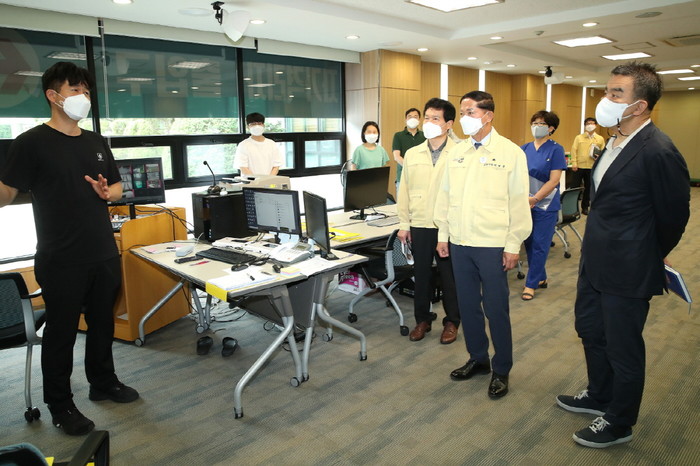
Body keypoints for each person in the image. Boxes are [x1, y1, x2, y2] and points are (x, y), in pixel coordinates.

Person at [0, 62, 139, 436]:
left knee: (102, 323)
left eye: (87, 91)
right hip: (61, 257)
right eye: (76, 89)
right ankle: (60, 405)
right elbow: (7, 192)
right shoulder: (31, 142)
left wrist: (109, 193)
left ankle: (103, 381)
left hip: (102, 251)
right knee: (61, 334)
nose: (84, 97)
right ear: (53, 95)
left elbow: (117, 187)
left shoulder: (95, 141)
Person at [556, 62, 690, 448]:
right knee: (590, 330)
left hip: (629, 267)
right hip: (595, 259)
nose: (606, 98)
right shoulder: (613, 141)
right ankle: (600, 394)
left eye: (616, 93)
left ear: (640, 105)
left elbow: (674, 215)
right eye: (607, 90)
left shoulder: (659, 150)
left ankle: (620, 421)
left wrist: (651, 252)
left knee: (623, 346)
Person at [434, 91, 531, 399]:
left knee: (496, 308)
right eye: (462, 112)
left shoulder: (510, 152)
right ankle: (478, 358)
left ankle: (501, 368)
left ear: (488, 116)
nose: (464, 118)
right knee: (467, 305)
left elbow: (519, 202)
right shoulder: (457, 152)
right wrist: (443, 234)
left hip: (493, 244)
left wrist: (513, 243)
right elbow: (445, 196)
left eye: (470, 112)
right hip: (460, 241)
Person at [396, 98, 460, 344]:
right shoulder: (413, 154)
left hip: (449, 226)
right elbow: (404, 190)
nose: (429, 122)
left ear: (448, 124)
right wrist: (404, 223)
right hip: (420, 223)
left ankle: (452, 321)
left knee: (449, 277)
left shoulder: (460, 153)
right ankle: (422, 319)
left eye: (436, 118)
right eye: (427, 117)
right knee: (421, 275)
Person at [520, 110, 567, 301]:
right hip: (525, 203)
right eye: (534, 123)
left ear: (551, 128)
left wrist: (536, 198)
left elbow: (554, 180)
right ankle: (541, 277)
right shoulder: (524, 148)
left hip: (545, 204)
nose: (536, 127)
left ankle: (530, 284)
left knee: (540, 244)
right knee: (530, 243)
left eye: (541, 124)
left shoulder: (556, 149)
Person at [570, 117, 605, 214]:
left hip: (592, 167)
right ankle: (572, 208)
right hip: (579, 166)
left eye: (592, 123)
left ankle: (585, 207)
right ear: (585, 126)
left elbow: (603, 152)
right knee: (574, 188)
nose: (590, 125)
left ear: (596, 125)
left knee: (588, 188)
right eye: (588, 123)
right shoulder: (579, 137)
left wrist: (599, 157)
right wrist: (574, 163)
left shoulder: (600, 139)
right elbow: (574, 150)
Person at [392, 108, 425, 191]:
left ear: (419, 120)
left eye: (415, 117)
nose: (412, 119)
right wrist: (410, 167)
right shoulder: (398, 136)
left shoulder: (425, 136)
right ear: (406, 120)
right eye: (410, 117)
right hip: (403, 176)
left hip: (421, 177)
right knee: (402, 199)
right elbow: (397, 157)